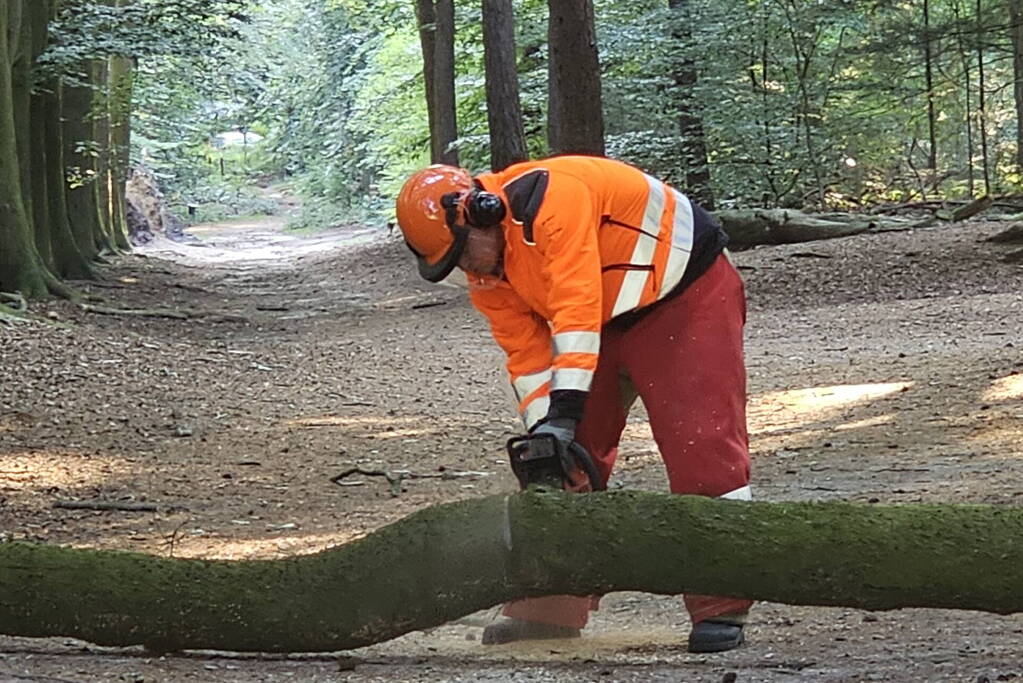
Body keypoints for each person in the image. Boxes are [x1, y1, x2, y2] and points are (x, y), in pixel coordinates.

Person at [394, 155, 753, 654]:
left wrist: (564, 412)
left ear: (477, 213)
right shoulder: (484, 274)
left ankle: (722, 599)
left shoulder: (552, 199)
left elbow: (575, 305)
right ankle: (551, 600)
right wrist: (547, 429)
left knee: (702, 444)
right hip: (594, 319)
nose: (466, 269)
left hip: (684, 295)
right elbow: (527, 356)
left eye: (462, 254)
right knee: (562, 461)